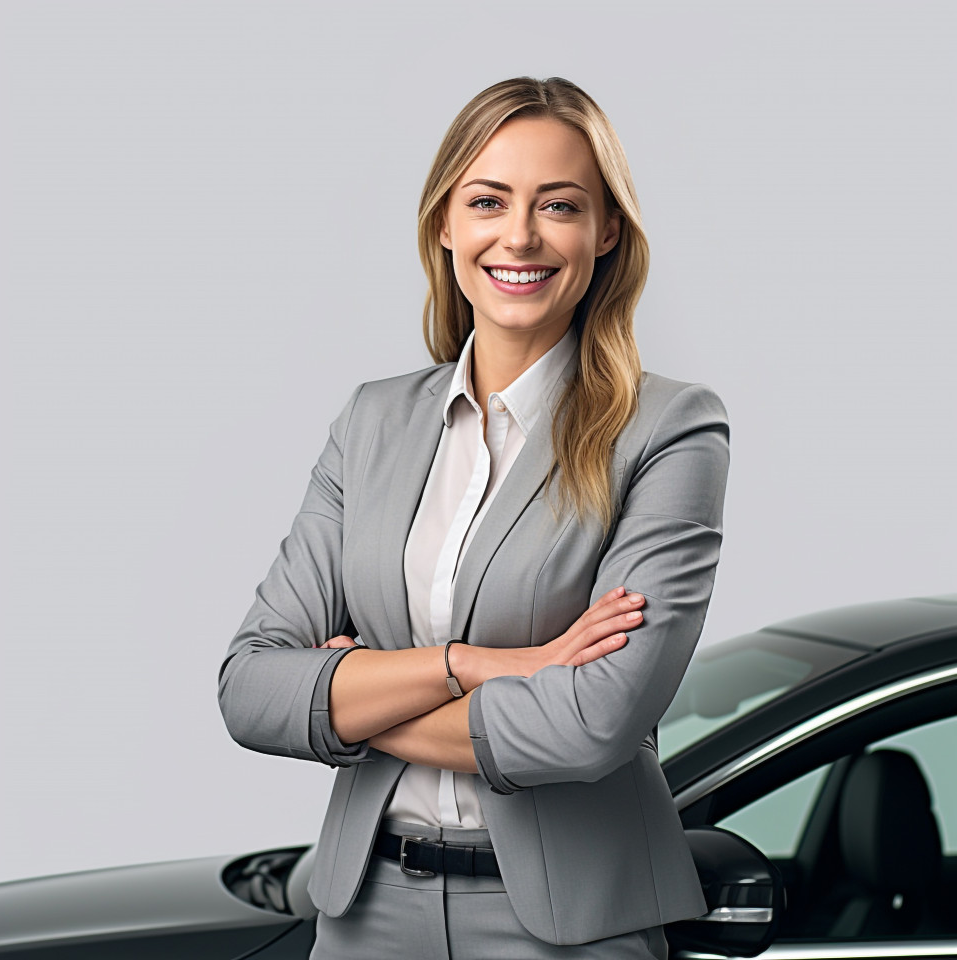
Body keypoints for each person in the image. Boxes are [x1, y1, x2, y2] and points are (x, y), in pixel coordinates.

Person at [218, 75, 730, 959]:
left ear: (606, 231)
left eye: (559, 205)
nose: (520, 236)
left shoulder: (671, 429)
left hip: (568, 924)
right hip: (365, 909)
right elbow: (250, 690)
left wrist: (353, 697)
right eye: (488, 201)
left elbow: (588, 728)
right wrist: (483, 665)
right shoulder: (371, 422)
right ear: (445, 225)